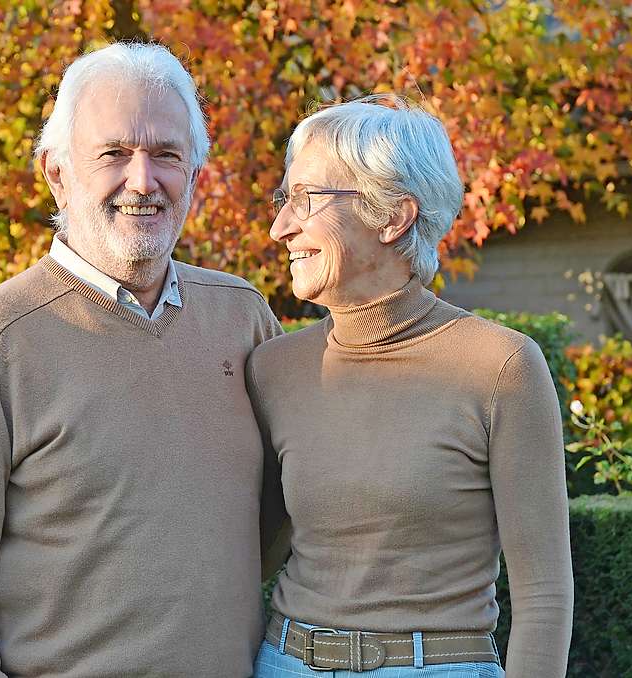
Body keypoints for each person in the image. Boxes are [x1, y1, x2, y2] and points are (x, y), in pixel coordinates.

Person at [0, 43, 282, 677]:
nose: (142, 180)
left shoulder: (242, 320)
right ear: (57, 173)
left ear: (196, 178)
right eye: (113, 155)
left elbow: (280, 514)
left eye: (166, 156)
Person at [247, 97, 573, 677]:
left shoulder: (500, 367)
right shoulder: (273, 369)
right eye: (284, 199)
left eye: (308, 200)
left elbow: (544, 595)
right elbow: (252, 552)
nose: (281, 227)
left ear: (393, 216)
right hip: (284, 663)